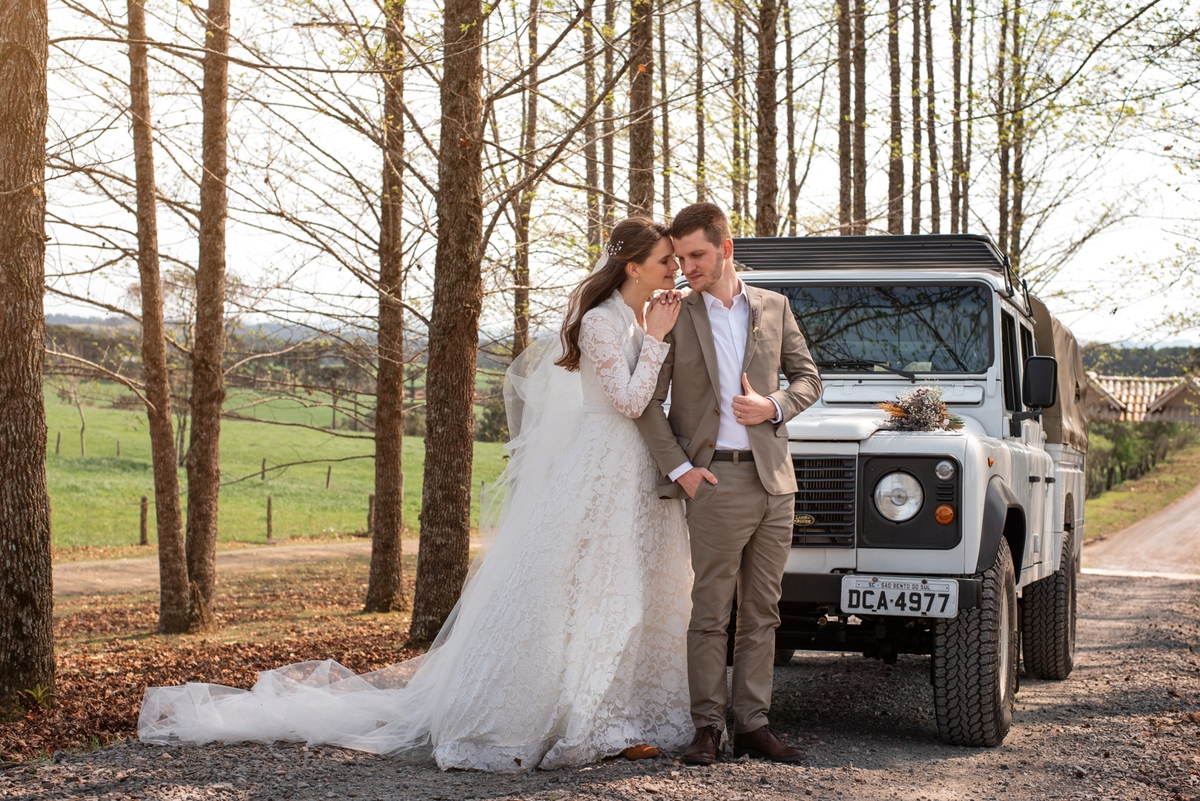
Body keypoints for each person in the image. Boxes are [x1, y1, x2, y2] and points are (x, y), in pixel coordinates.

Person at [138, 217, 694, 771]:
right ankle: (558, 719)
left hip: (629, 468)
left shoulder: (632, 319)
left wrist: (651, 337)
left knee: (620, 587)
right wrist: (659, 341)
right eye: (666, 260)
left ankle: (615, 716)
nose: (674, 269)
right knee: (578, 588)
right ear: (633, 267)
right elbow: (626, 400)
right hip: (598, 466)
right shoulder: (601, 321)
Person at [633, 202, 822, 765]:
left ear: (726, 250)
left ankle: (754, 725)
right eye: (681, 256)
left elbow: (809, 379)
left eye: (697, 255)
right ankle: (707, 729)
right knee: (711, 611)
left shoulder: (774, 306)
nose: (685, 266)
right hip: (714, 482)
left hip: (775, 482)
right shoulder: (673, 313)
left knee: (764, 612)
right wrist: (682, 470)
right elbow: (646, 401)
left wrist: (774, 405)